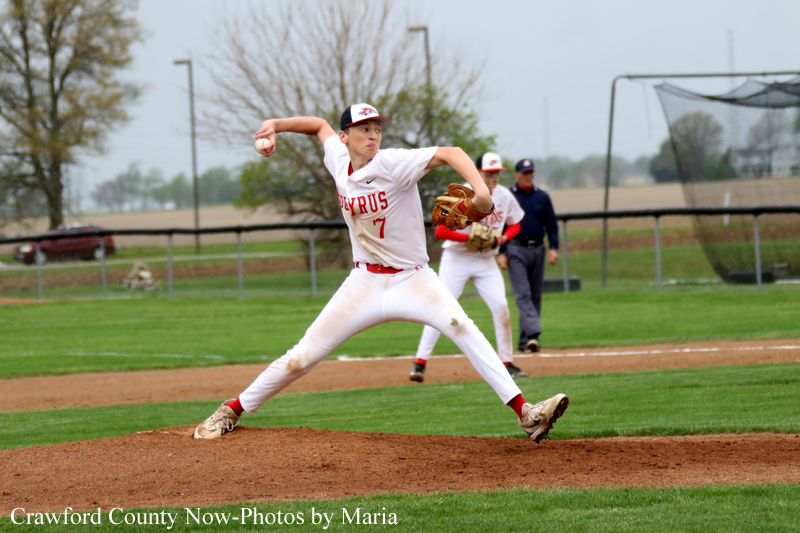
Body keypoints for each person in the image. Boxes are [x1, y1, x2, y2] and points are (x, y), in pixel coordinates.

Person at [194, 104, 568, 442]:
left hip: (413, 278)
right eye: (364, 128)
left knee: (461, 325)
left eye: (376, 128)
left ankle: (527, 414)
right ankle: (232, 410)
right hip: (364, 282)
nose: (373, 135)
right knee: (302, 357)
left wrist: (479, 192)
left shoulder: (394, 163)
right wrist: (273, 124)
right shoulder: (338, 159)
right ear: (346, 138)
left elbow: (451, 153)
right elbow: (317, 125)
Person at [409, 152, 528, 383]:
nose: (495, 177)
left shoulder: (503, 196)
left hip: (485, 260)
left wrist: (503, 239)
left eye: (497, 172)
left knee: (502, 306)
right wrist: (470, 236)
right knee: (440, 308)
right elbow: (441, 231)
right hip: (458, 258)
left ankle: (507, 362)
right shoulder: (460, 194)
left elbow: (516, 223)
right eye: (489, 172)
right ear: (478, 172)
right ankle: (420, 362)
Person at [497, 159, 559, 353]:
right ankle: (533, 334)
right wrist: (502, 252)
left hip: (538, 248)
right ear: (516, 175)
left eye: (530, 172)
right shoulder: (509, 196)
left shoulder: (542, 197)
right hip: (515, 249)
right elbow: (502, 225)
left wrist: (553, 248)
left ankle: (525, 341)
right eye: (524, 173)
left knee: (534, 296)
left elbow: (551, 225)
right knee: (522, 294)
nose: (527, 176)